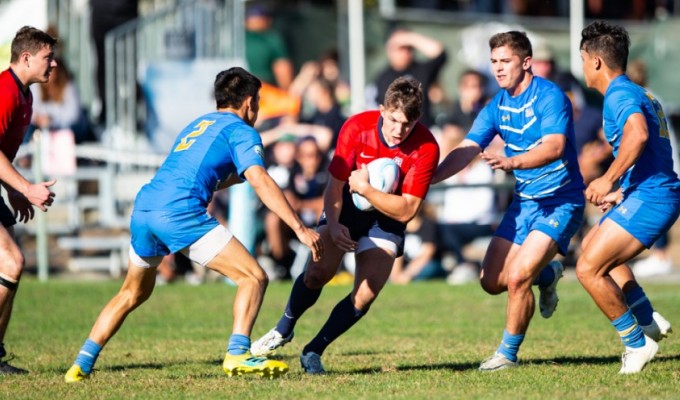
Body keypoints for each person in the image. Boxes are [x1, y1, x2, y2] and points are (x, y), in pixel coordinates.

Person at [64, 67, 324, 382]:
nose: (257, 108)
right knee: (253, 277)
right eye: (258, 101)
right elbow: (261, 180)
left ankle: (81, 364)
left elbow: (205, 175)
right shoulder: (241, 130)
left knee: (132, 293)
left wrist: (239, 175)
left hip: (146, 207)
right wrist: (299, 227)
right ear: (248, 103)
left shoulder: (197, 125)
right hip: (178, 212)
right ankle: (238, 354)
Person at [250, 77, 440, 373]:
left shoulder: (426, 146)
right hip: (346, 208)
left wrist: (366, 190)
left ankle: (314, 350)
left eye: (407, 124)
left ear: (418, 119)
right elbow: (336, 184)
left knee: (365, 295)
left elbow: (407, 211)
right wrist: (335, 223)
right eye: (392, 120)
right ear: (381, 110)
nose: (398, 130)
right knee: (317, 272)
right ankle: (284, 328)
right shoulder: (356, 127)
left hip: (387, 218)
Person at [434, 31, 586, 371]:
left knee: (517, 277)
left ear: (526, 62)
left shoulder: (550, 96)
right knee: (491, 282)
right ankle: (547, 275)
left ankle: (507, 354)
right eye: (494, 62)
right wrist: (428, 179)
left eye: (505, 61)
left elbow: (554, 147)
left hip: (560, 201)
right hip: (525, 204)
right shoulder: (496, 105)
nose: (498, 69)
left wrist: (512, 162)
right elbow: (467, 150)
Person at [576, 20, 679, 374]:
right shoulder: (639, 92)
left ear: (596, 62)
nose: (582, 66)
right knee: (592, 245)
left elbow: (637, 136)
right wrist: (622, 190)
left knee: (588, 269)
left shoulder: (619, 95)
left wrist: (607, 179)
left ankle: (637, 343)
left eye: (583, 58)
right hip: (648, 192)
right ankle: (647, 318)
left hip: (653, 198)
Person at [0, 26, 58, 375]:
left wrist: (14, 189)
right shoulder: (5, 92)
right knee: (11, 262)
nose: (53, 65)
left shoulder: (25, 97)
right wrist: (28, 187)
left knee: (12, 267)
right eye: (48, 58)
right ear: (26, 58)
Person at [374, 29, 447, 127]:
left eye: (409, 48)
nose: (406, 52)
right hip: (398, 131)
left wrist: (409, 38)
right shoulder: (383, 78)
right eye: (401, 47)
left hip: (424, 128)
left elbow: (440, 53)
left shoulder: (421, 70)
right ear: (390, 50)